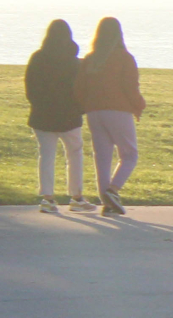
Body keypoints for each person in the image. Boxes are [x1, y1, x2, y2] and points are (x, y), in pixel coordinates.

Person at [72, 17, 145, 216]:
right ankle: (113, 191)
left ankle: (108, 202)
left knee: (102, 158)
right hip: (118, 111)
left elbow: (79, 88)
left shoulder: (90, 59)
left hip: (94, 113)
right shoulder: (124, 57)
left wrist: (86, 105)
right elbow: (130, 88)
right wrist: (139, 105)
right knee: (129, 154)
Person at [25, 19, 89, 215]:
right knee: (75, 154)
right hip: (69, 117)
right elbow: (82, 90)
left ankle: (48, 199)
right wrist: (80, 110)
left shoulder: (37, 57)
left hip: (42, 116)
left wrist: (38, 106)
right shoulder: (74, 61)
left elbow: (30, 88)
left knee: (46, 156)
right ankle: (76, 197)